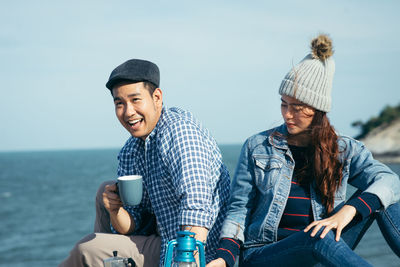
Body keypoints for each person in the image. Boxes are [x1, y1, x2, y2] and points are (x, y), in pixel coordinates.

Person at [207, 34, 400, 267]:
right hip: (265, 254)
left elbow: (390, 180)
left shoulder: (344, 149)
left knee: (385, 198)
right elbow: (239, 209)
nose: (287, 114)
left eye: (297, 107)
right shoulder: (257, 146)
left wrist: (348, 210)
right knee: (316, 237)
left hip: (322, 247)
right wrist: (224, 258)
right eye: (283, 104)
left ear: (317, 109)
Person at [59, 59, 231, 267]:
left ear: (157, 97)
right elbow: (131, 225)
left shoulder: (180, 133)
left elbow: (196, 207)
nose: (128, 111)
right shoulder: (131, 149)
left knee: (86, 250)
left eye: (135, 100)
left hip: (195, 252)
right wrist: (115, 210)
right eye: (119, 103)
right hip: (164, 242)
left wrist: (187, 261)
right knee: (104, 191)